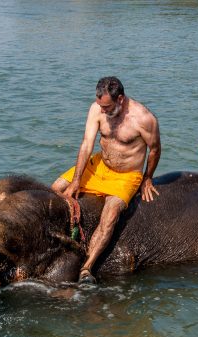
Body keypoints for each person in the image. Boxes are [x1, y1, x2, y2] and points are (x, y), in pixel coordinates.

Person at [51, 76, 161, 284]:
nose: (102, 110)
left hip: (126, 175)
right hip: (100, 164)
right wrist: (76, 180)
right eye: (100, 105)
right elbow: (86, 145)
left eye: (107, 106)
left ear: (120, 99)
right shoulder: (97, 109)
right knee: (55, 188)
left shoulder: (144, 119)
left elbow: (155, 149)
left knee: (110, 214)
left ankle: (86, 268)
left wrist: (148, 178)